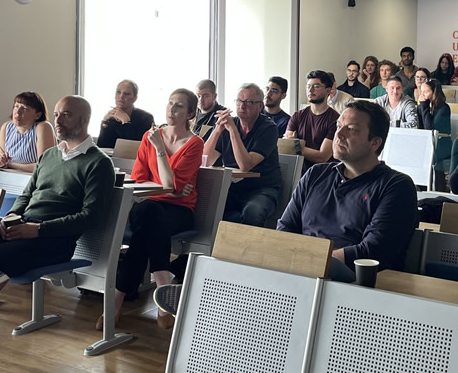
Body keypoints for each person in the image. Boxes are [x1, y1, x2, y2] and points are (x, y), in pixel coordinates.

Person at [0, 96, 114, 373]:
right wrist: (10, 218)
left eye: (66, 114)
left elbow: (90, 217)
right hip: (24, 226)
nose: (57, 120)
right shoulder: (50, 156)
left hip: (54, 241)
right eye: (56, 114)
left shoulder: (98, 163)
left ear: (84, 120)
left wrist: (38, 230)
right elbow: (27, 195)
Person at [277, 101, 418, 281]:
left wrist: (312, 261)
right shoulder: (316, 174)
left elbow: (372, 252)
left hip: (355, 285)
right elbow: (285, 228)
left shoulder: (396, 186)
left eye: (351, 129)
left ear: (375, 142)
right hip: (300, 275)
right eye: (338, 126)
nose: (339, 135)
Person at [101, 89, 202, 331]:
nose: (171, 110)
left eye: (179, 106)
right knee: (150, 213)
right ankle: (163, 294)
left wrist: (160, 153)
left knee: (144, 231)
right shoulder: (150, 136)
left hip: (179, 212)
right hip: (147, 206)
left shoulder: (194, 144)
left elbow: (173, 185)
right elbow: (139, 179)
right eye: (170, 104)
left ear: (189, 113)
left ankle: (116, 302)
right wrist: (170, 190)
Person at [203, 83, 281, 226]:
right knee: (207, 206)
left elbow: (245, 166)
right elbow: (205, 160)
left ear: (260, 106)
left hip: (262, 188)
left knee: (253, 212)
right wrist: (218, 130)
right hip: (233, 187)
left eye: (249, 102)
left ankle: (249, 247)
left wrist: (233, 130)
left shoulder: (268, 128)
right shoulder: (229, 125)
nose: (242, 106)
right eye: (239, 101)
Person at [286, 70, 340, 170]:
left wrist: (296, 145)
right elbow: (286, 147)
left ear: (328, 90)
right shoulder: (297, 116)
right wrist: (293, 145)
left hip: (324, 173)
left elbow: (322, 156)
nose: (310, 90)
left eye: (316, 86)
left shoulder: (335, 119)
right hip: (298, 170)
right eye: (308, 86)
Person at [0, 92, 55, 173]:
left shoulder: (43, 127)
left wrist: (12, 165)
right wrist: (0, 162)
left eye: (25, 108)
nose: (18, 112)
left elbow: (44, 166)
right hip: (11, 177)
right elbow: (3, 162)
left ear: (37, 115)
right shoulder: (6, 127)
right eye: (16, 106)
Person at [97, 80, 154, 148]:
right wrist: (105, 122)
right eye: (118, 92)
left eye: (126, 93)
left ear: (135, 98)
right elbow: (102, 146)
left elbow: (137, 147)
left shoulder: (146, 118)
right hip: (112, 158)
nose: (121, 96)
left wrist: (126, 122)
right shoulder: (111, 117)